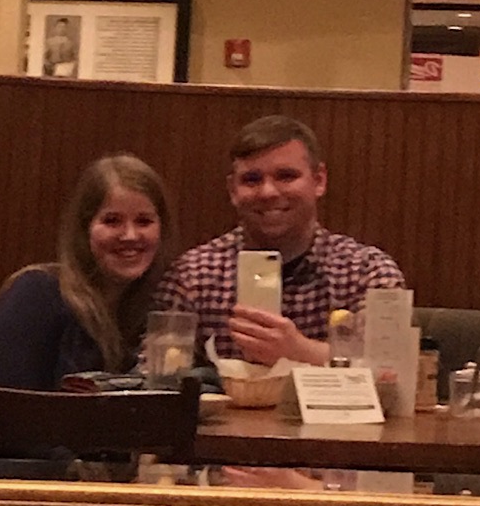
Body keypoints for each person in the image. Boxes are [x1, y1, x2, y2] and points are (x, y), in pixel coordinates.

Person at [157, 115, 405, 365]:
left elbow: (391, 372)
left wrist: (298, 351)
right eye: (252, 180)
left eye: (286, 176)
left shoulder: (367, 272)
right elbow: (158, 376)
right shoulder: (193, 275)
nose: (268, 192)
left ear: (319, 180)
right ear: (233, 190)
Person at [0, 153, 173, 389]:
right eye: (112, 221)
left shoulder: (155, 308)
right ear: (84, 228)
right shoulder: (36, 294)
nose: (130, 235)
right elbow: (4, 409)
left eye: (144, 221)